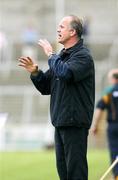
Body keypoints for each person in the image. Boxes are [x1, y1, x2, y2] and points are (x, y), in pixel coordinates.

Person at [18, 15, 95, 180]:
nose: (57, 29)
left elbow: (66, 74)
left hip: (75, 123)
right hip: (60, 121)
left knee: (76, 173)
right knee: (64, 174)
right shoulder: (61, 57)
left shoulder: (83, 56)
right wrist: (35, 73)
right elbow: (46, 87)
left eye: (61, 26)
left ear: (73, 31)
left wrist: (51, 54)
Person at [91, 69, 118, 180]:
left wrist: (95, 126)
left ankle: (116, 175)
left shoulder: (108, 92)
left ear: (113, 79)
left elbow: (99, 109)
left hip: (113, 127)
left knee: (114, 151)